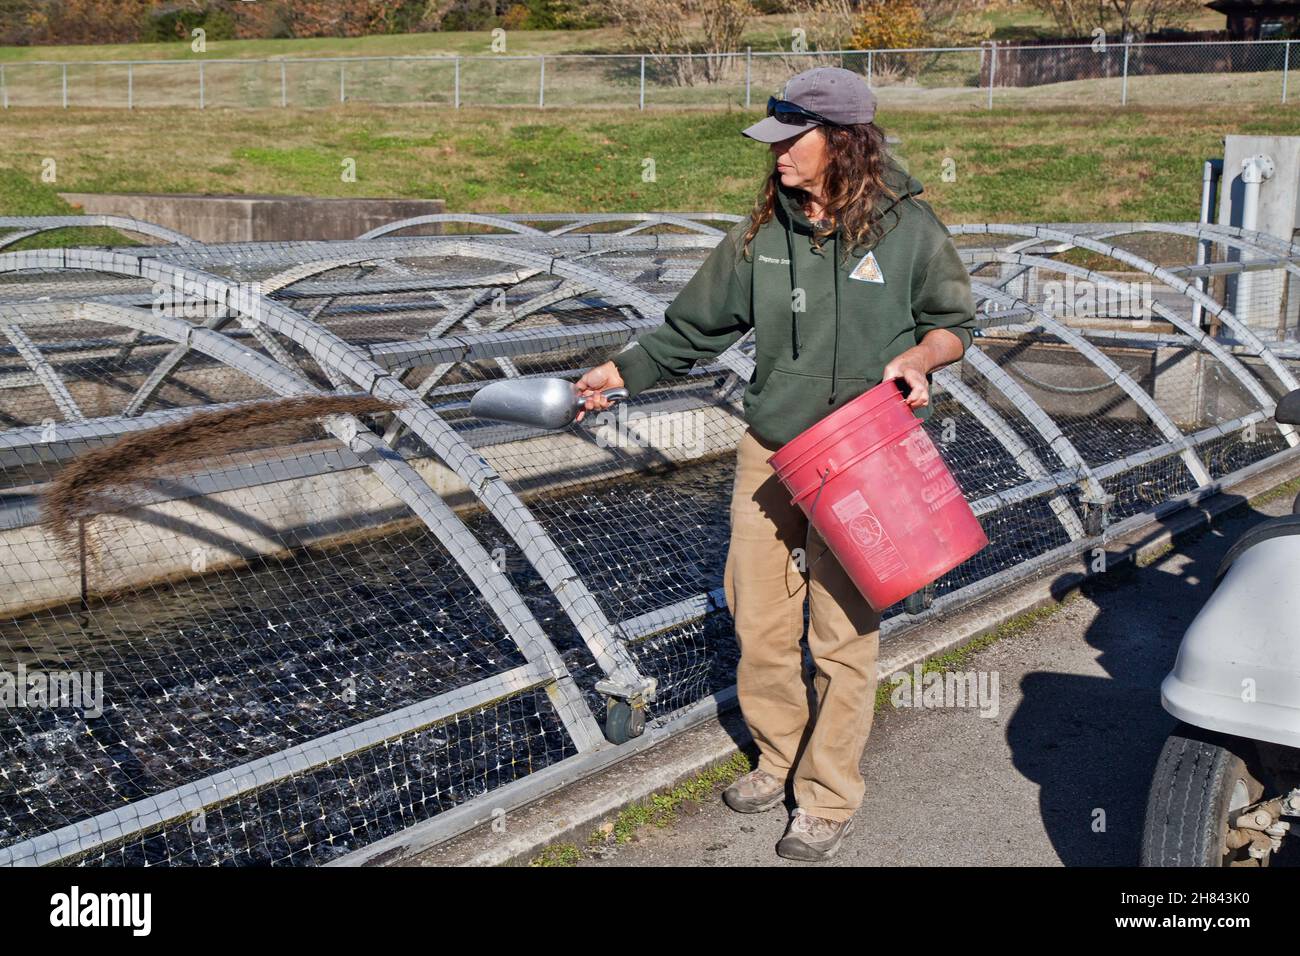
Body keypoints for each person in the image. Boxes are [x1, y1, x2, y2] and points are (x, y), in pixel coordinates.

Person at [575, 66, 977, 862]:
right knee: (758, 619)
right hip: (773, 445)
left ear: (845, 142)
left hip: (863, 450)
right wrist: (622, 373)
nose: (778, 156)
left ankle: (827, 795)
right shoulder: (764, 229)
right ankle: (778, 757)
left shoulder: (910, 230)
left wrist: (920, 359)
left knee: (840, 632)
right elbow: (694, 327)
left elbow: (954, 323)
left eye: (793, 140)